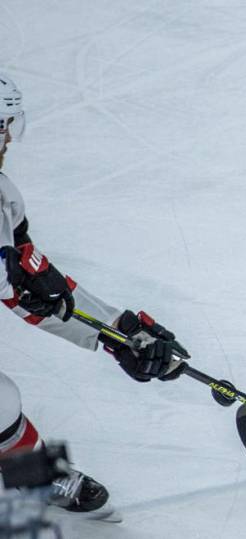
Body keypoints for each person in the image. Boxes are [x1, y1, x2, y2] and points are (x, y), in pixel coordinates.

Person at [0, 72, 189, 517]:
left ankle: (33, 478)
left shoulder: (3, 197)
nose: (9, 137)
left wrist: (118, 332)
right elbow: (16, 287)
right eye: (5, 124)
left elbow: (30, 280)